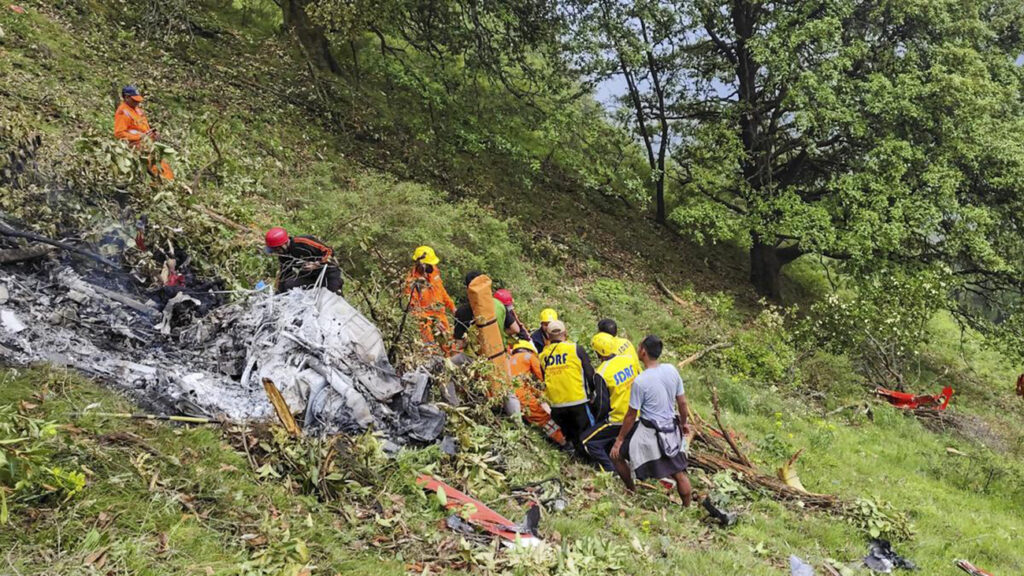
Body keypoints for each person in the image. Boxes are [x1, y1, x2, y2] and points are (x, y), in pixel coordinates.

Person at [610, 335, 692, 506]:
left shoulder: (641, 381)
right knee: (679, 472)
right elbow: (682, 402)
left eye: (639, 347)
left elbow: (631, 415)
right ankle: (687, 506)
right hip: (670, 429)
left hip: (649, 432)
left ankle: (631, 489)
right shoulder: (671, 370)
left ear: (643, 352)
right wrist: (683, 423)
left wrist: (619, 440)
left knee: (616, 455)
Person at [539, 320, 601, 454]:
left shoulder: (543, 355)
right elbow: (589, 372)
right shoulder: (575, 348)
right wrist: (592, 392)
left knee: (570, 436)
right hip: (577, 400)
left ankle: (576, 460)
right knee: (588, 435)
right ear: (565, 333)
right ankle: (592, 462)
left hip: (556, 404)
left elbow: (543, 378)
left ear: (548, 336)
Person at [580, 332, 638, 471]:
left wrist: (599, 419)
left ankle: (611, 470)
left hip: (617, 419)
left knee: (587, 442)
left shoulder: (602, 373)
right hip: (637, 414)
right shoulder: (628, 359)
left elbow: (602, 404)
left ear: (598, 353)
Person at [507, 338, 569, 449]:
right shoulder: (529, 357)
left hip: (509, 395)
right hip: (522, 396)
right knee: (543, 418)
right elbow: (542, 376)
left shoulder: (509, 360)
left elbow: (525, 384)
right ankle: (564, 443)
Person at [113, 85, 174, 181]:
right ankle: (165, 185)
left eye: (137, 100)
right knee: (156, 169)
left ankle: (170, 184)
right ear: (126, 97)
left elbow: (145, 129)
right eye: (134, 100)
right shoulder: (123, 112)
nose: (137, 102)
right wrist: (139, 137)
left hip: (147, 145)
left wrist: (153, 134)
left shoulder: (138, 110)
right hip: (136, 147)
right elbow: (119, 134)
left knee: (163, 166)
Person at [452, 271, 519, 351]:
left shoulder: (461, 312)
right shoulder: (498, 304)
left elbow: (460, 344)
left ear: (468, 289)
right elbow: (515, 329)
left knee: (448, 362)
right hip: (500, 351)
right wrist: (498, 334)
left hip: (476, 356)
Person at [264, 227, 343, 295]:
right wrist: (278, 293)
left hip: (328, 273)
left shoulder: (302, 242)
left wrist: (317, 264)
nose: (276, 252)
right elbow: (285, 275)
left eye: (276, 249)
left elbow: (329, 251)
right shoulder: (284, 256)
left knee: (333, 295)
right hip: (310, 277)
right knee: (288, 285)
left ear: (283, 244)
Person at [404, 246, 456, 349]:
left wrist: (452, 307)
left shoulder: (434, 271)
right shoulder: (411, 282)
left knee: (450, 346)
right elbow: (413, 310)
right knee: (430, 349)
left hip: (441, 316)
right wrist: (433, 322)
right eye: (429, 264)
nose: (432, 266)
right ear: (421, 264)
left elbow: (441, 291)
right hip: (425, 322)